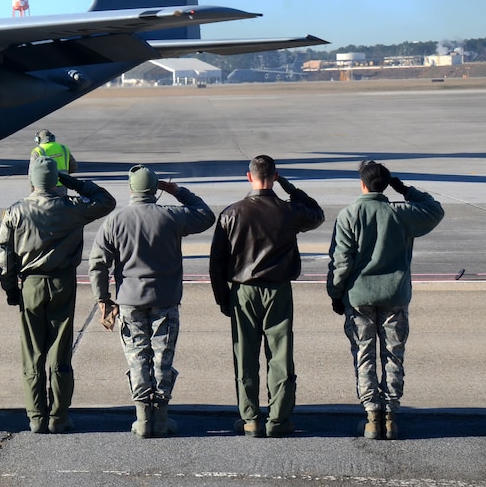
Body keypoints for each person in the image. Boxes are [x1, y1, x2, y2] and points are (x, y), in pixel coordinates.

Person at [88, 165, 215, 438]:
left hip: (129, 301)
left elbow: (98, 264)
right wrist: (178, 191)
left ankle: (142, 418)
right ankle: (161, 418)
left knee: (137, 358)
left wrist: (103, 298)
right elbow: (205, 215)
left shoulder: (115, 221)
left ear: (131, 188)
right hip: (165, 299)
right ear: (155, 188)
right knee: (162, 358)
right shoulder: (170, 216)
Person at [0, 156, 115, 434]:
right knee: (60, 353)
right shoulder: (72, 207)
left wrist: (11, 288)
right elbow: (106, 201)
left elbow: (4, 254)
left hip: (31, 284)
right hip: (63, 281)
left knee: (32, 352)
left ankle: (37, 416)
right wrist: (71, 181)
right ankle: (59, 416)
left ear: (31, 180)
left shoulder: (16, 211)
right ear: (55, 181)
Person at [326, 160, 444, 440]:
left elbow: (341, 261)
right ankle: (390, 415)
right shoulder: (402, 213)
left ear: (362, 184)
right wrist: (403, 188)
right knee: (394, 354)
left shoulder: (349, 215)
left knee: (363, 355)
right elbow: (434, 209)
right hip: (395, 295)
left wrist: (335, 293)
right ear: (386, 185)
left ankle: (371, 416)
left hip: (359, 297)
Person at [208, 155, 324, 438]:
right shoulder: (289, 211)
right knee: (281, 356)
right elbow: (316, 214)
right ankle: (279, 419)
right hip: (278, 290)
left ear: (249, 177)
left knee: (245, 355)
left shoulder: (231, 213)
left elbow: (217, 264)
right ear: (274, 177)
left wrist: (224, 299)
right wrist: (290, 187)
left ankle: (250, 418)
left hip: (243, 291)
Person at [30, 129, 78, 194]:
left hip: (46, 186)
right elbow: (73, 167)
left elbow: (32, 173)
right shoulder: (63, 148)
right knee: (61, 203)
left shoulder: (38, 151)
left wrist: (32, 189)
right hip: (63, 185)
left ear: (39, 139)